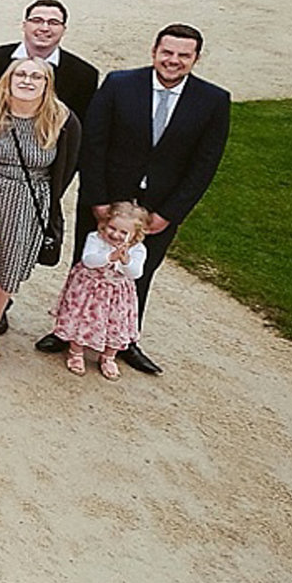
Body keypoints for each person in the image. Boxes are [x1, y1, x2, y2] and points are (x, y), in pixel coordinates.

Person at [46, 24, 230, 376]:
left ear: (196, 58)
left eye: (183, 55)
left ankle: (124, 340)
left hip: (160, 206)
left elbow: (204, 164)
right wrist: (99, 200)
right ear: (154, 51)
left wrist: (170, 213)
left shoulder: (213, 101)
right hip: (107, 199)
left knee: (139, 274)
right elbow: (94, 143)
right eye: (167, 52)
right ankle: (67, 332)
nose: (173, 60)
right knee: (86, 266)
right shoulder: (119, 84)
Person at [0, 58, 82, 372]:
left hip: (28, 202)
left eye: (37, 76)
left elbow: (65, 169)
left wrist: (46, 204)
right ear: (9, 78)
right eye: (21, 74)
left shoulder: (62, 120)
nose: (28, 81)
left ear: (47, 84)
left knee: (5, 273)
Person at [0, 0, 102, 127]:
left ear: (64, 30)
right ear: (24, 25)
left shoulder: (84, 75)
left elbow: (81, 128)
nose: (44, 28)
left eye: (53, 23)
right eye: (37, 20)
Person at [48, 202, 149, 377]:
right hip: (90, 289)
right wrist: (109, 257)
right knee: (81, 318)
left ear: (134, 235)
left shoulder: (138, 249)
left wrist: (125, 261)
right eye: (112, 228)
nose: (115, 234)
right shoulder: (95, 238)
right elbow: (88, 260)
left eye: (123, 233)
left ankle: (109, 356)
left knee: (115, 323)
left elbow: (135, 273)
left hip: (117, 293)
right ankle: (76, 351)